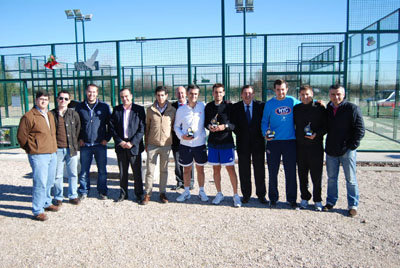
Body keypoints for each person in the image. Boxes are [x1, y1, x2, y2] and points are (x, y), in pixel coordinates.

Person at [323, 84, 365, 217]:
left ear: (344, 94)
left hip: (347, 151)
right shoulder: (327, 109)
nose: (336, 97)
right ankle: (330, 202)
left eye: (338, 94)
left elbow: (360, 130)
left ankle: (353, 205)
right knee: (331, 178)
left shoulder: (352, 108)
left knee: (350, 179)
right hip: (331, 149)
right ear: (329, 95)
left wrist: (352, 146)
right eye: (333, 94)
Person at [17, 90, 59, 221]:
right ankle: (37, 210)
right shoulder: (29, 116)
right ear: (36, 100)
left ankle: (47, 202)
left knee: (50, 180)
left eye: (46, 99)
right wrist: (31, 148)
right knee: (40, 182)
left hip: (52, 152)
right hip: (38, 154)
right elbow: (21, 137)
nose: (44, 101)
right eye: (41, 99)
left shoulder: (49, 114)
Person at [261, 79, 300, 209]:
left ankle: (292, 199)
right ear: (274, 90)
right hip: (274, 143)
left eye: (283, 89)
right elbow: (264, 122)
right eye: (278, 89)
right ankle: (273, 198)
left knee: (290, 172)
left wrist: (317, 103)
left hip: (290, 142)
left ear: (287, 89)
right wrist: (265, 133)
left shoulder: (292, 101)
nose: (280, 92)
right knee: (273, 172)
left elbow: (306, 106)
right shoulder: (270, 104)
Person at [204, 83, 241, 207]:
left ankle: (236, 195)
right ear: (213, 93)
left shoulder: (229, 106)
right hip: (213, 143)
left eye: (220, 92)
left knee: (230, 169)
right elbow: (205, 123)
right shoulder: (208, 106)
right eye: (216, 92)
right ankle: (219, 193)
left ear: (224, 93)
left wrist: (223, 126)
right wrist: (209, 126)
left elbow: (234, 125)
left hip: (227, 143)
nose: (218, 94)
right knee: (216, 169)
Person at [293, 85, 327, 211]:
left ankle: (317, 200)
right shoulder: (296, 109)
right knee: (302, 175)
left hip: (316, 148)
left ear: (312, 94)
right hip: (300, 147)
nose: (305, 97)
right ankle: (304, 198)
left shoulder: (320, 108)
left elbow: (326, 126)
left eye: (307, 94)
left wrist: (316, 134)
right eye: (302, 94)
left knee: (316, 175)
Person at [231, 85, 267, 204]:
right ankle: (246, 195)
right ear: (241, 94)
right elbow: (233, 124)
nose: (247, 95)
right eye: (245, 93)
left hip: (258, 143)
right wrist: (241, 133)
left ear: (253, 94)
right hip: (243, 143)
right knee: (244, 170)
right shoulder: (235, 107)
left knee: (259, 170)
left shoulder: (261, 106)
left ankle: (261, 195)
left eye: (250, 93)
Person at [75, 84, 111, 200]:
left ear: (97, 93)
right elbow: (76, 125)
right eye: (90, 92)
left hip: (100, 144)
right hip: (85, 145)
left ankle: (102, 191)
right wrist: (79, 138)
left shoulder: (104, 107)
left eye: (94, 92)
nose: (92, 94)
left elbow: (110, 125)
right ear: (86, 92)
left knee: (102, 171)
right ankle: (84, 191)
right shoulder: (80, 107)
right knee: (84, 170)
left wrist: (107, 138)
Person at [141, 86, 176, 205]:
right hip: (152, 144)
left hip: (166, 145)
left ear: (166, 96)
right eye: (158, 95)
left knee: (164, 170)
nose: (160, 97)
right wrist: (146, 143)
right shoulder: (150, 110)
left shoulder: (172, 110)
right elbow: (147, 127)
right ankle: (148, 193)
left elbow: (174, 127)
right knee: (150, 171)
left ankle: (162, 193)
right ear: (156, 96)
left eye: (163, 95)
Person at [174, 84, 209, 202]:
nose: (193, 96)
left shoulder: (203, 107)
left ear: (198, 95)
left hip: (200, 144)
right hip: (185, 145)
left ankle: (202, 191)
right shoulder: (181, 110)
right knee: (187, 169)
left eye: (196, 94)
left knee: (200, 169)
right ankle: (186, 191)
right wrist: (182, 136)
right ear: (187, 94)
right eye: (191, 94)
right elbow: (176, 126)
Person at [110, 88, 145, 203]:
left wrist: (132, 142)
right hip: (121, 145)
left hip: (134, 146)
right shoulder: (116, 110)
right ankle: (123, 194)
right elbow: (112, 128)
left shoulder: (139, 110)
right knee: (122, 172)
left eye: (126, 96)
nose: (124, 99)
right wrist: (120, 141)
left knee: (137, 172)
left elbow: (141, 128)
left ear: (131, 96)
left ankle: (139, 194)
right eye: (122, 97)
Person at [50, 90, 81, 206]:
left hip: (71, 148)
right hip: (57, 149)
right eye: (61, 98)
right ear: (57, 99)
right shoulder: (51, 114)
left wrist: (74, 143)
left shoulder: (74, 114)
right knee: (57, 174)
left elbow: (78, 129)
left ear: (69, 101)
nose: (63, 101)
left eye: (66, 99)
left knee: (73, 173)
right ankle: (58, 197)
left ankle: (73, 195)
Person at [171, 86, 194, 190]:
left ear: (186, 94)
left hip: (189, 139)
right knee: (177, 161)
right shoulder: (172, 107)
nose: (180, 95)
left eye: (182, 93)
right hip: (176, 139)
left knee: (189, 161)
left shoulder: (192, 105)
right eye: (178, 93)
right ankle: (180, 182)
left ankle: (191, 181)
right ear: (176, 94)